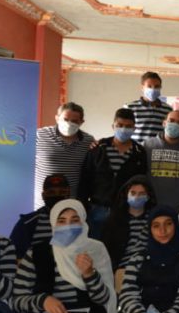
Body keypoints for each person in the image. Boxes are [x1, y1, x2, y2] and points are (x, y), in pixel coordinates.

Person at [8, 200, 115, 313]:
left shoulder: (95, 249)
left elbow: (103, 298)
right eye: (62, 221)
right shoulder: (37, 252)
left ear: (83, 222)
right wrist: (43, 301)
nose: (68, 226)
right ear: (53, 224)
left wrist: (89, 274)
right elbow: (16, 300)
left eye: (74, 220)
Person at [79, 108, 148, 239]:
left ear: (134, 128)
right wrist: (83, 207)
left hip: (125, 211)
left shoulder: (139, 152)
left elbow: (142, 182)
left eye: (128, 126)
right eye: (119, 125)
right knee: (95, 246)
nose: (123, 129)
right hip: (97, 209)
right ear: (113, 126)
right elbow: (85, 178)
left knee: (120, 246)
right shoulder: (99, 147)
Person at [34, 102, 94, 205]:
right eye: (65, 119)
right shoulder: (40, 135)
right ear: (57, 118)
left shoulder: (88, 141)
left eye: (74, 121)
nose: (69, 123)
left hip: (71, 204)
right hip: (42, 203)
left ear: (81, 122)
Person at [143, 109, 179, 211]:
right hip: (151, 205)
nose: (175, 124)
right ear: (164, 123)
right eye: (171, 120)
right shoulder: (147, 145)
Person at [101, 176, 157, 269]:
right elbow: (106, 251)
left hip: (149, 267)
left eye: (141, 194)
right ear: (126, 195)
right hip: (122, 268)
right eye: (133, 193)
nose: (136, 197)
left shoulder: (154, 220)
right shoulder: (114, 220)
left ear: (148, 197)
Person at [12, 174, 71, 259]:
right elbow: (15, 257)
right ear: (43, 195)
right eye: (51, 192)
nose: (57, 196)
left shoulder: (80, 221)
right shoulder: (28, 223)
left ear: (69, 194)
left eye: (62, 192)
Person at [125, 71, 173, 143]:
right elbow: (124, 131)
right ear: (142, 87)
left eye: (156, 86)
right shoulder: (129, 107)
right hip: (136, 148)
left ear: (160, 87)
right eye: (149, 86)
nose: (153, 89)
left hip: (158, 148)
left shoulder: (168, 109)